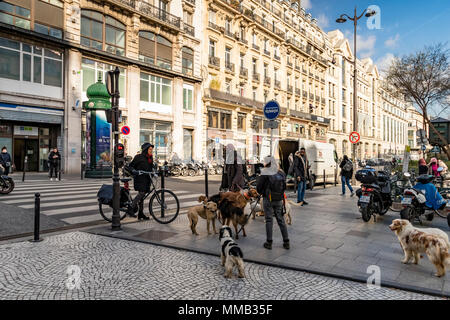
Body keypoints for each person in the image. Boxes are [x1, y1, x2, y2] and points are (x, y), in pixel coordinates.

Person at [256, 156, 290, 250]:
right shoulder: (281, 172)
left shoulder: (265, 172)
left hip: (268, 199)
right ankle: (286, 241)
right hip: (279, 199)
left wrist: (263, 192)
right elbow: (284, 187)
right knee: (281, 219)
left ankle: (269, 242)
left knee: (269, 220)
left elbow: (258, 187)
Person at [128, 143, 155, 220]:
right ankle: (131, 207)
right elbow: (131, 166)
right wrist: (134, 171)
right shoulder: (138, 157)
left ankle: (140, 213)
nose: (151, 151)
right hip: (139, 179)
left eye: (152, 149)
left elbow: (151, 167)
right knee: (142, 193)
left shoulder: (150, 158)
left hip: (147, 179)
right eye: (150, 149)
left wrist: (154, 171)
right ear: (146, 150)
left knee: (142, 197)